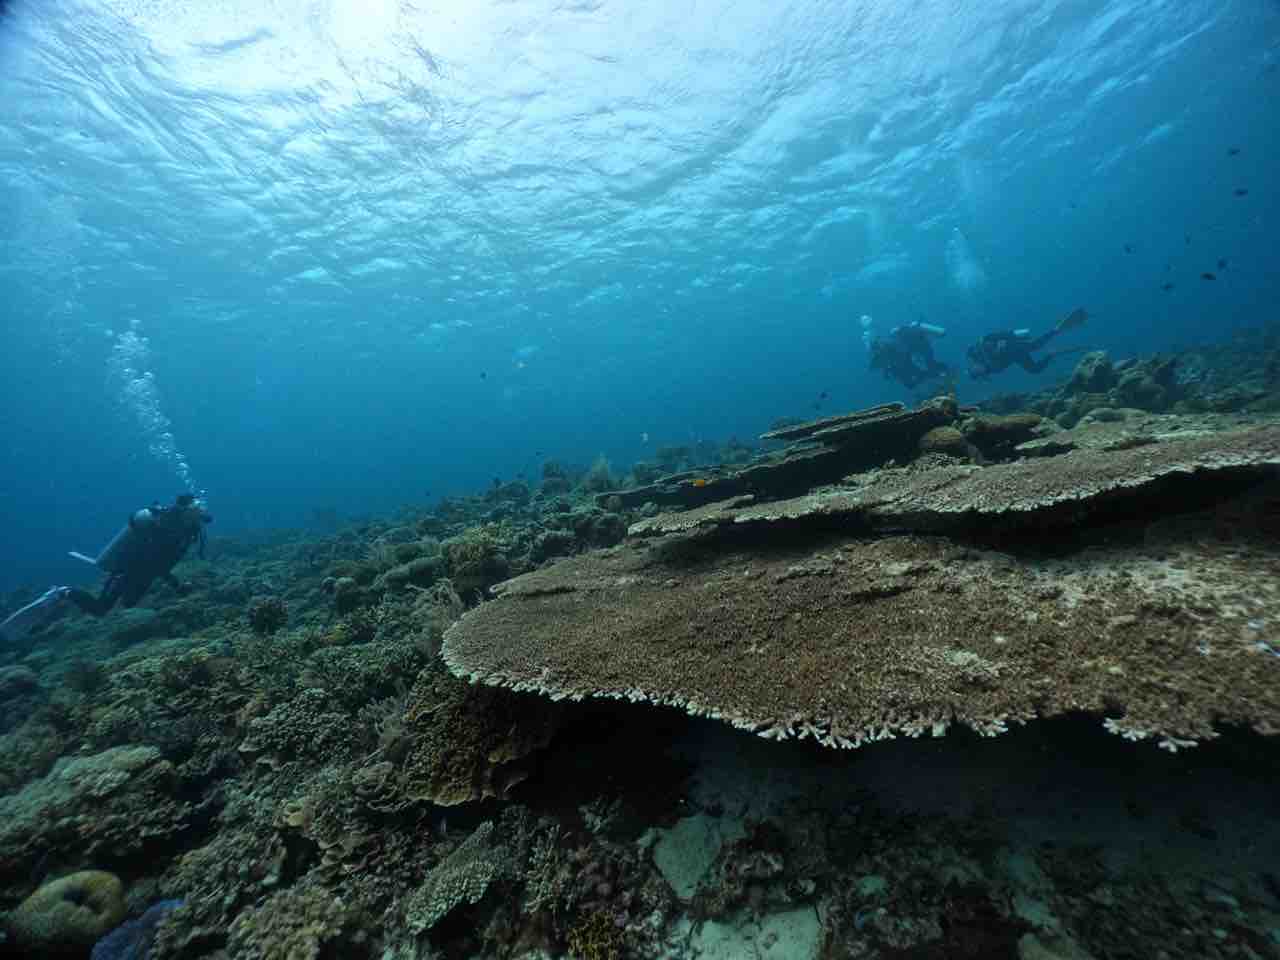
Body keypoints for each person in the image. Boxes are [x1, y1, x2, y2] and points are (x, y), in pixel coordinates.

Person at [66, 493, 212, 616]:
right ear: (184, 509)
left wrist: (177, 585)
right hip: (127, 569)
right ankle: (64, 592)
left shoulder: (188, 530)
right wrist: (176, 585)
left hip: (147, 573)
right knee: (101, 609)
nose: (200, 512)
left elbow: (163, 563)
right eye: (196, 508)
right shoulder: (165, 525)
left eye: (200, 508)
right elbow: (158, 562)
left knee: (129, 603)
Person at [966, 308, 1088, 380]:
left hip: (1011, 345)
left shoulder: (979, 351)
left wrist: (1000, 344)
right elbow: (1006, 362)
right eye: (978, 374)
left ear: (973, 365)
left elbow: (991, 338)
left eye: (974, 370)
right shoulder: (993, 370)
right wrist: (1000, 355)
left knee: (1035, 346)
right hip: (1017, 356)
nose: (978, 371)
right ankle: (1051, 354)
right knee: (1034, 370)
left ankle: (1056, 330)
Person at [867, 319, 950, 390]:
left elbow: (905, 355)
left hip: (919, 348)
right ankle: (940, 376)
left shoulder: (893, 345)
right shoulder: (888, 353)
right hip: (916, 353)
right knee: (926, 371)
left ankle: (942, 376)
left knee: (929, 368)